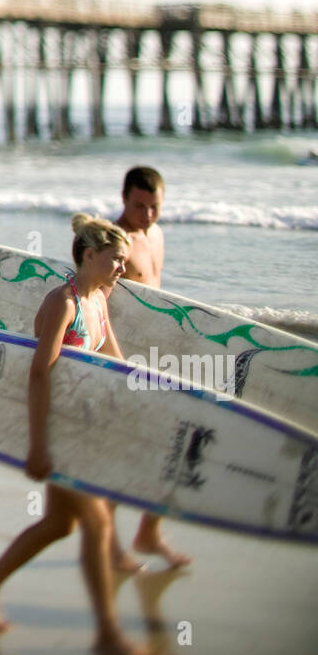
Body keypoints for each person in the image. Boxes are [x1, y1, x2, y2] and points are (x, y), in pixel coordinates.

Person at [0, 214, 153, 655]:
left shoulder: (99, 302)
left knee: (59, 524)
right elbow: (38, 373)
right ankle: (108, 633)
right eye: (116, 260)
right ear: (90, 256)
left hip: (82, 426)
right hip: (56, 428)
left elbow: (115, 363)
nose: (122, 270)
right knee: (96, 523)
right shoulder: (63, 304)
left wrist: (147, 402)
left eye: (124, 261)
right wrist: (37, 445)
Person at [109, 166, 191, 571]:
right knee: (121, 449)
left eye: (154, 207)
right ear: (123, 199)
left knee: (168, 442)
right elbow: (94, 298)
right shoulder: (113, 240)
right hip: (120, 358)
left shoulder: (156, 234)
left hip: (155, 354)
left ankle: (148, 531)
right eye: (139, 206)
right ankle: (109, 545)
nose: (147, 215)